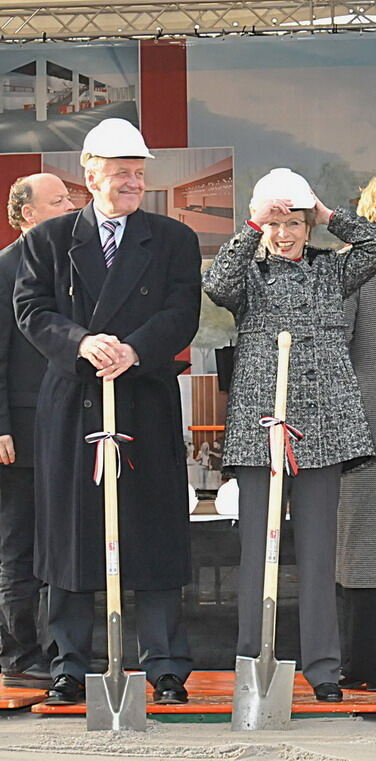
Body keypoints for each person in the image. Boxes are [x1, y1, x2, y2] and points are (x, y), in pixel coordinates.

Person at [14, 118, 201, 706]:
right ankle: (68, 664)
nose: (132, 183)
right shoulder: (48, 241)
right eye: (121, 172)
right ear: (89, 173)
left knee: (153, 530)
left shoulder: (173, 239)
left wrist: (135, 349)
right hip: (74, 403)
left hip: (143, 400)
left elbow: (181, 311)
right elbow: (32, 310)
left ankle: (165, 665)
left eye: (139, 173)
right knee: (68, 533)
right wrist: (80, 342)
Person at [202, 167, 376, 702]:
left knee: (317, 551)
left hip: (326, 424)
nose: (285, 233)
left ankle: (324, 669)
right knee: (257, 550)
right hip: (262, 422)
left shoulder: (333, 271)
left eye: (295, 222)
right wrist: (251, 225)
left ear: (310, 226)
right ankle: (252, 660)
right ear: (263, 224)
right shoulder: (249, 274)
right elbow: (216, 283)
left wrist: (329, 211)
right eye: (276, 223)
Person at [0, 173, 74, 689]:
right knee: (18, 548)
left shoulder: (71, 264)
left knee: (60, 546)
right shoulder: (4, 269)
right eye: (60, 200)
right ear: (28, 213)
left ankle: (61, 653)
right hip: (19, 438)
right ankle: (19, 655)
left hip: (68, 429)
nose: (72, 205)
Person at [337, 172, 376, 691]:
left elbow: (339, 345)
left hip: (369, 419)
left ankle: (368, 673)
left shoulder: (357, 267)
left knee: (365, 547)